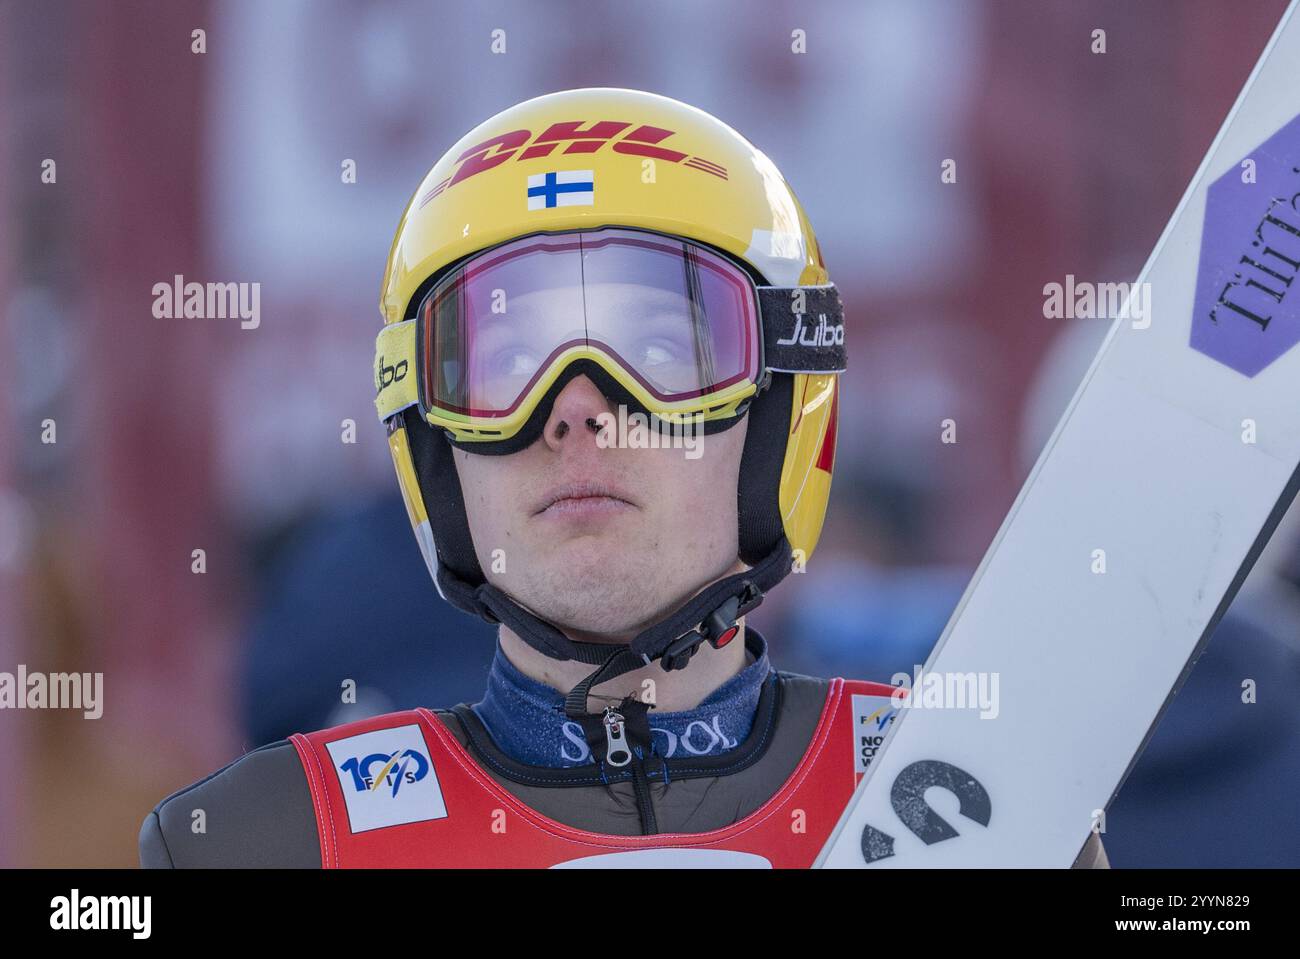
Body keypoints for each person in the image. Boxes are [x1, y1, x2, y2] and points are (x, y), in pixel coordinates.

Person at [139, 88, 1105, 868]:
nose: (576, 409)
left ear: (777, 413)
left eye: (662, 345)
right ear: (435, 447)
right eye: (505, 358)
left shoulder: (980, 800)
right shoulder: (261, 843)